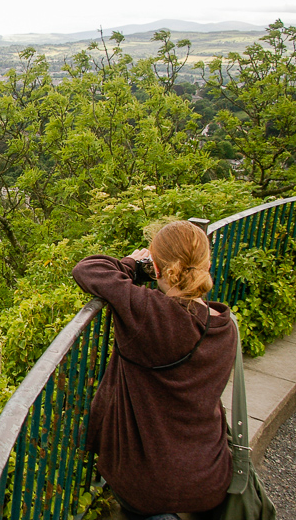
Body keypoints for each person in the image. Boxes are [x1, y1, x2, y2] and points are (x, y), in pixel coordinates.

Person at [72, 220, 238, 520]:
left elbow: (88, 269)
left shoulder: (150, 314)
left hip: (148, 486)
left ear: (157, 268)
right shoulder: (224, 324)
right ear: (206, 264)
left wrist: (133, 265)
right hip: (210, 478)